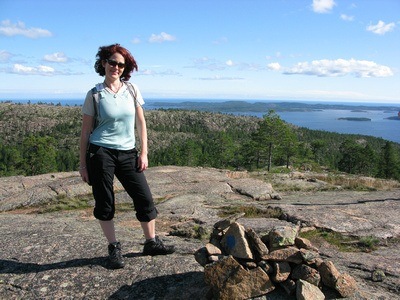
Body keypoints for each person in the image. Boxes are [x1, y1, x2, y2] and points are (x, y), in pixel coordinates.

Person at [79, 44, 175, 269]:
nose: (116, 67)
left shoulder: (132, 90)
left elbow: (141, 123)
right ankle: (113, 248)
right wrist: (83, 164)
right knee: (105, 202)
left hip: (128, 152)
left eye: (121, 64)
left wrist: (144, 152)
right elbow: (85, 132)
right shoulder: (94, 94)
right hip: (101, 152)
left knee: (144, 198)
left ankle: (151, 242)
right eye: (112, 62)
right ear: (103, 63)